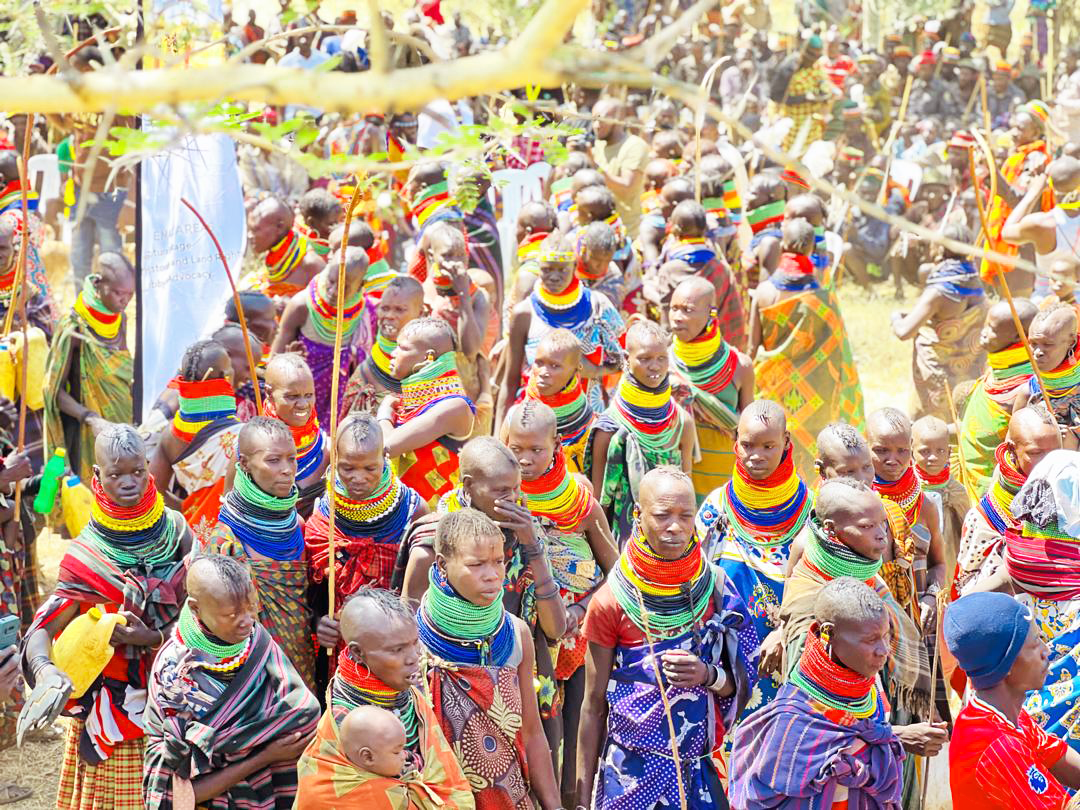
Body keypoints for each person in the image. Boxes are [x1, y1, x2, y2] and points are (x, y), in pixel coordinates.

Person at [18, 425, 191, 808]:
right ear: (97, 476)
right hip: (116, 711)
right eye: (115, 474)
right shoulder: (85, 554)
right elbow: (42, 628)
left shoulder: (178, 531)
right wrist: (47, 672)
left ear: (148, 468)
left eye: (137, 471)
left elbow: (206, 612)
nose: (128, 482)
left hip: (178, 701)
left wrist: (155, 639)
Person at [576, 466, 758, 809]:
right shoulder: (611, 600)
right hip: (629, 778)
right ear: (638, 515)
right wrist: (583, 802)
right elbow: (593, 704)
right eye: (662, 516)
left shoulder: (716, 588)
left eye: (685, 516)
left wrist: (708, 675)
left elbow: (743, 680)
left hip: (698, 774)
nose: (675, 527)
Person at [504, 400, 617, 804]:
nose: (525, 458)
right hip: (518, 640)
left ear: (557, 443)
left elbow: (614, 572)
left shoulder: (579, 503)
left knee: (568, 740)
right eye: (516, 448)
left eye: (536, 449)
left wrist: (580, 609)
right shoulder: (498, 497)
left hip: (574, 639)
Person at [142, 554, 321, 809]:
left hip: (270, 790)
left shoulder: (253, 641)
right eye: (232, 614)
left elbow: (303, 711)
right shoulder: (176, 677)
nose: (247, 621)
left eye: (251, 607)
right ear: (195, 608)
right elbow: (181, 790)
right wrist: (264, 755)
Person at [417, 508, 562, 810]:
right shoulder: (414, 638)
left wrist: (554, 805)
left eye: (498, 561)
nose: (493, 574)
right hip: (438, 798)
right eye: (476, 564)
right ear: (442, 565)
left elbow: (532, 732)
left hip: (508, 796)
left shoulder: (516, 635)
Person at [730, 578, 905, 810]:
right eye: (870, 640)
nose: (883, 650)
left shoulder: (870, 693)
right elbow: (763, 797)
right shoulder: (791, 717)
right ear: (828, 634)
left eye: (886, 636)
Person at [295, 587, 473, 808]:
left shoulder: (407, 695)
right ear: (358, 653)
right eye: (397, 650)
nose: (414, 657)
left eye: (414, 642)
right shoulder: (347, 720)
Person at [696, 399, 812, 716]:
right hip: (726, 662)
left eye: (768, 445)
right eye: (747, 445)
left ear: (787, 442)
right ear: (735, 441)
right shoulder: (718, 506)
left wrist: (783, 632)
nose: (756, 456)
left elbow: (821, 587)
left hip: (789, 655)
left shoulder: (809, 512)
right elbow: (692, 574)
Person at [201, 416, 314, 692]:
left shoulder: (297, 525)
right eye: (273, 460)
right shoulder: (226, 542)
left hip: (303, 668)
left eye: (292, 458)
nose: (287, 470)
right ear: (244, 465)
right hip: (250, 683)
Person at [749, 217, 864, 481]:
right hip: (817, 394)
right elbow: (838, 349)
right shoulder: (824, 297)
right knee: (812, 448)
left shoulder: (765, 292)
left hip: (773, 386)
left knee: (774, 440)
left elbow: (752, 347)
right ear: (812, 247)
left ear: (782, 245)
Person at [306, 413, 426, 659]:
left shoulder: (413, 510)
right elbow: (308, 592)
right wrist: (318, 622)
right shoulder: (322, 514)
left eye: (370, 468)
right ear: (335, 459)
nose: (358, 478)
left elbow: (424, 595)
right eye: (347, 468)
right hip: (340, 651)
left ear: (385, 457)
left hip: (397, 652)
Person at [946, 591, 1080, 808]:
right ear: (1006, 663)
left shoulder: (1003, 714)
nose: (1046, 651)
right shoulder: (997, 747)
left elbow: (1057, 755)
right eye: (1036, 644)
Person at [499, 232, 624, 427]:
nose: (554, 277)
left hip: (588, 422)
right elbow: (510, 381)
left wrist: (595, 371)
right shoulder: (525, 312)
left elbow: (623, 360)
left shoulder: (597, 306)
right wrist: (500, 435)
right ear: (538, 269)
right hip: (535, 424)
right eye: (547, 269)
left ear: (575, 267)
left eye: (562, 270)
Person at [591, 319, 696, 543]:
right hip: (624, 547)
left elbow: (687, 496)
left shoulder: (681, 424)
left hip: (673, 542)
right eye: (644, 359)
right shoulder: (609, 428)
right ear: (626, 360)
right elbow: (598, 507)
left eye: (661, 358)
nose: (655, 366)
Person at [43, 252, 135, 481]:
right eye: (118, 293)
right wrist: (91, 418)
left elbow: (118, 373)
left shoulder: (120, 319)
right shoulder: (73, 328)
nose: (125, 301)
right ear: (98, 283)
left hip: (122, 422)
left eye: (130, 295)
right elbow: (53, 391)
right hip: (88, 432)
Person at [955, 406, 1061, 597]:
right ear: (1012, 449)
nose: (1049, 462)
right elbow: (967, 592)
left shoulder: (1071, 494)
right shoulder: (984, 519)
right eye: (1036, 453)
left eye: (1055, 452)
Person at [669, 276, 755, 501]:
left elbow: (750, 433)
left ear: (712, 314)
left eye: (687, 310)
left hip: (724, 484)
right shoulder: (661, 364)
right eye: (673, 308)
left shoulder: (740, 366)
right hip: (675, 480)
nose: (677, 317)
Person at [891, 226, 988, 421]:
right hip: (969, 372)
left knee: (932, 429)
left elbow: (904, 332)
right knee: (962, 423)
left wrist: (895, 317)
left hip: (937, 376)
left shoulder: (940, 290)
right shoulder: (975, 281)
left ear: (941, 248)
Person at [150, 339, 244, 537]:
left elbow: (152, 491)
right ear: (224, 377)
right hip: (234, 539)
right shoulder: (244, 436)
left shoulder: (170, 435)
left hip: (191, 537)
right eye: (230, 368)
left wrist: (188, 509)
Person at [377, 317, 475, 506]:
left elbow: (386, 447)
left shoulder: (455, 406)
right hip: (398, 512)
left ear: (428, 357)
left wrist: (384, 415)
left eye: (403, 348)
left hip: (434, 522)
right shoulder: (411, 401)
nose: (393, 353)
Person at [866, 407, 946, 633]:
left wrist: (932, 596)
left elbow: (939, 564)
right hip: (872, 628)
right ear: (866, 446)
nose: (893, 460)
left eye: (902, 450)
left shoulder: (925, 505)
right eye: (881, 450)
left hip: (919, 626)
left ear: (911, 446)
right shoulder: (856, 505)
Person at [271, 246, 369, 427]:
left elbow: (368, 364)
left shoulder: (365, 312)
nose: (333, 291)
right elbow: (274, 362)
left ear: (360, 286)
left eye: (344, 287)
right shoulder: (301, 305)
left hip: (342, 404)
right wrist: (291, 359)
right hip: (300, 401)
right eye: (331, 281)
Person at [957, 298, 1039, 495]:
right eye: (985, 324)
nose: (983, 332)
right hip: (970, 484)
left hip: (998, 495)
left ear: (1017, 337)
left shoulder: (1026, 390)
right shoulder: (996, 371)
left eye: (992, 328)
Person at [980, 100, 1053, 296]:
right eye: (1013, 126)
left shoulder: (1035, 159)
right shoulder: (1019, 156)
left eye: (1020, 128)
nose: (1013, 132)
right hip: (1012, 238)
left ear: (1036, 133)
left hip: (1022, 245)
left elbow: (1020, 200)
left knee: (1016, 306)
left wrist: (993, 173)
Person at [657, 199, 746, 348]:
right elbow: (733, 316)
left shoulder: (668, 270)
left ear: (674, 231)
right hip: (716, 350)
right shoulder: (720, 268)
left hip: (681, 352)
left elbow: (667, 321)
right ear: (705, 230)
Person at [521, 328, 598, 474]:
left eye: (555, 366)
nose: (543, 372)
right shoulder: (515, 417)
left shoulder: (592, 432)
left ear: (576, 371)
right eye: (539, 363)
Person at [343, 275, 424, 411]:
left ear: (420, 313)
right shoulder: (365, 373)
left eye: (399, 309)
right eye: (385, 308)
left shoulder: (432, 363)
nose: (389, 315)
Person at [260, 353, 328, 514]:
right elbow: (230, 512)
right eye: (292, 396)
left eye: (309, 395)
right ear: (269, 393)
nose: (303, 404)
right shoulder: (250, 447)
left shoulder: (328, 449)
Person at [1001, 156, 1080, 284]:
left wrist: (1034, 191)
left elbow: (1006, 233)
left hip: (1047, 298)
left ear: (1050, 186)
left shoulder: (1041, 223)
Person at [913, 415, 970, 581]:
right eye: (925, 451)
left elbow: (968, 529)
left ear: (950, 452)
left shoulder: (956, 490)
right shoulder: (908, 490)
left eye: (940, 451)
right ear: (911, 451)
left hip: (951, 553)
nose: (933, 457)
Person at [1022, 303, 1080, 447]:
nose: (1037, 352)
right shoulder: (1030, 391)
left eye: (1047, 344)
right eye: (1033, 343)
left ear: (1071, 342)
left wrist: (1072, 444)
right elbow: (1013, 445)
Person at [591, 97, 650, 238]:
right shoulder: (598, 144)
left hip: (627, 233)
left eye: (602, 119)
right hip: (600, 231)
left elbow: (626, 187)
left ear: (619, 120)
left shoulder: (634, 146)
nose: (596, 125)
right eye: (593, 119)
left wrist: (594, 167)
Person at [246, 195, 325, 299]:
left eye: (256, 230)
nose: (249, 235)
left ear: (279, 227)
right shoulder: (274, 257)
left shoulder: (312, 265)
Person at [774, 35, 835, 154]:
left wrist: (824, 95)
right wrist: (803, 98)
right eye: (811, 56)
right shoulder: (789, 68)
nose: (814, 60)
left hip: (812, 125)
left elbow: (823, 85)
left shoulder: (816, 67)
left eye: (818, 56)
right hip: (793, 124)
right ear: (803, 51)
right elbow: (775, 96)